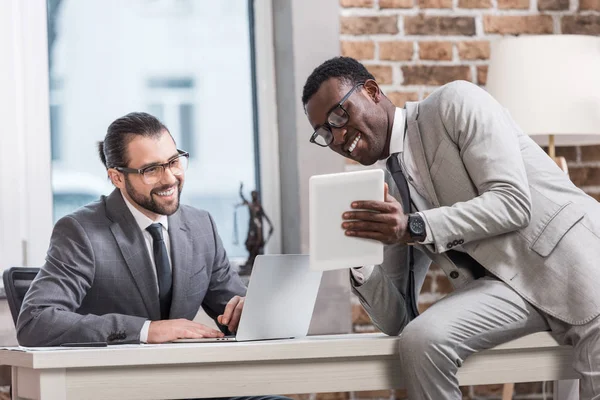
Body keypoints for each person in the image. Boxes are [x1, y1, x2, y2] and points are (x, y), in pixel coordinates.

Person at [302, 57, 600, 400]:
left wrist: (412, 226)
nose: (337, 135)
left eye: (339, 115)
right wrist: (359, 258)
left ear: (371, 91)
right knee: (420, 340)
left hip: (577, 266)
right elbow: (398, 319)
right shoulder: (388, 189)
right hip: (506, 288)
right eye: (324, 132)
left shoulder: (454, 102)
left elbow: (512, 203)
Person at [17, 112, 248, 346]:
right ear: (117, 178)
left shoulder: (201, 226)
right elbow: (36, 321)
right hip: (107, 376)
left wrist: (251, 310)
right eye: (151, 170)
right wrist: (146, 331)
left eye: (174, 162)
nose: (169, 179)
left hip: (185, 373)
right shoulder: (80, 232)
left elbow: (237, 310)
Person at [235, 182, 274, 274]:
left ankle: (253, 262)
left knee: (255, 245)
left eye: (254, 195)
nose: (253, 197)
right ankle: (250, 262)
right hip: (251, 228)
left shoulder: (258, 207)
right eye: (252, 195)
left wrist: (270, 225)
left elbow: (265, 216)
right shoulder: (251, 205)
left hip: (257, 230)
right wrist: (240, 189)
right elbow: (242, 198)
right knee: (248, 244)